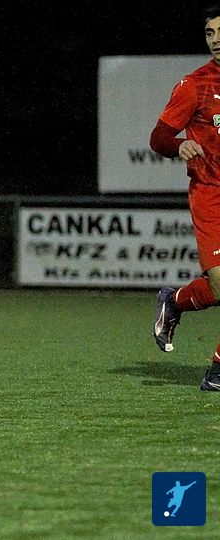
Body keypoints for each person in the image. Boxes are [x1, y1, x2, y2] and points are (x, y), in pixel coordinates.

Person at [150, 4, 220, 391]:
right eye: (210, 33)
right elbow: (159, 137)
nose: (216, 40)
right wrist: (178, 146)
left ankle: (217, 371)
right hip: (211, 193)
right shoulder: (195, 85)